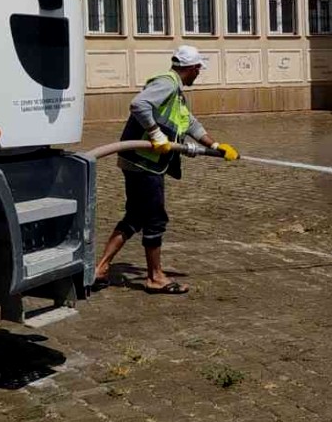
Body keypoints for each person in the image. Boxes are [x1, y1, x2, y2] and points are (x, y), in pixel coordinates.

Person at [94, 45, 239, 294]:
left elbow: (189, 123)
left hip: (143, 161)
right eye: (198, 70)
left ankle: (100, 269)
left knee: (135, 217)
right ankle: (155, 277)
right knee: (155, 219)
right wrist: (155, 133)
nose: (199, 74)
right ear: (192, 68)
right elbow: (139, 105)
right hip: (143, 161)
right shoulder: (168, 83)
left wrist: (215, 146)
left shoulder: (176, 93)